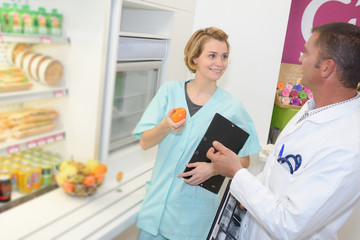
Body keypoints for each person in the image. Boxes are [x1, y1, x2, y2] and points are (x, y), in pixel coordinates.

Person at [206, 22, 360, 239]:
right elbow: (277, 171)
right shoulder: (312, 108)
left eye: (306, 52)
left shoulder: (348, 146)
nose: (300, 58)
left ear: (326, 68)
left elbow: (290, 225)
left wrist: (237, 174)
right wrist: (249, 191)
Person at [132, 27, 260, 240]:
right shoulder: (169, 92)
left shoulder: (232, 108)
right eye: (212, 55)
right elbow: (145, 142)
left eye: (224, 56)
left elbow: (245, 160)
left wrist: (213, 169)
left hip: (192, 221)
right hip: (155, 212)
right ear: (194, 59)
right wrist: (166, 124)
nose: (219, 63)